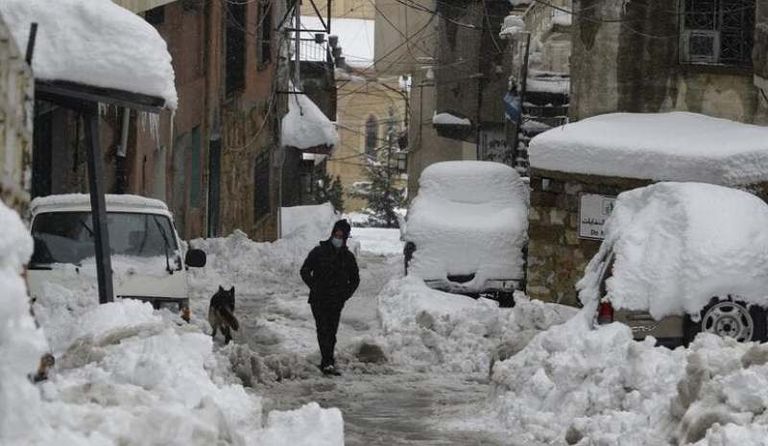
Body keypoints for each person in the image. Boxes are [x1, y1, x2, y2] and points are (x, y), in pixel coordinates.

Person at [300, 219, 360, 376]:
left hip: (336, 300)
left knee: (331, 331)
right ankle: (327, 361)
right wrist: (314, 286)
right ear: (332, 233)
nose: (338, 238)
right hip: (318, 299)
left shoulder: (347, 257)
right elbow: (305, 270)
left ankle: (328, 359)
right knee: (322, 328)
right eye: (336, 234)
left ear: (346, 237)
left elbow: (355, 279)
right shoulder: (319, 252)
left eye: (342, 236)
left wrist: (345, 294)